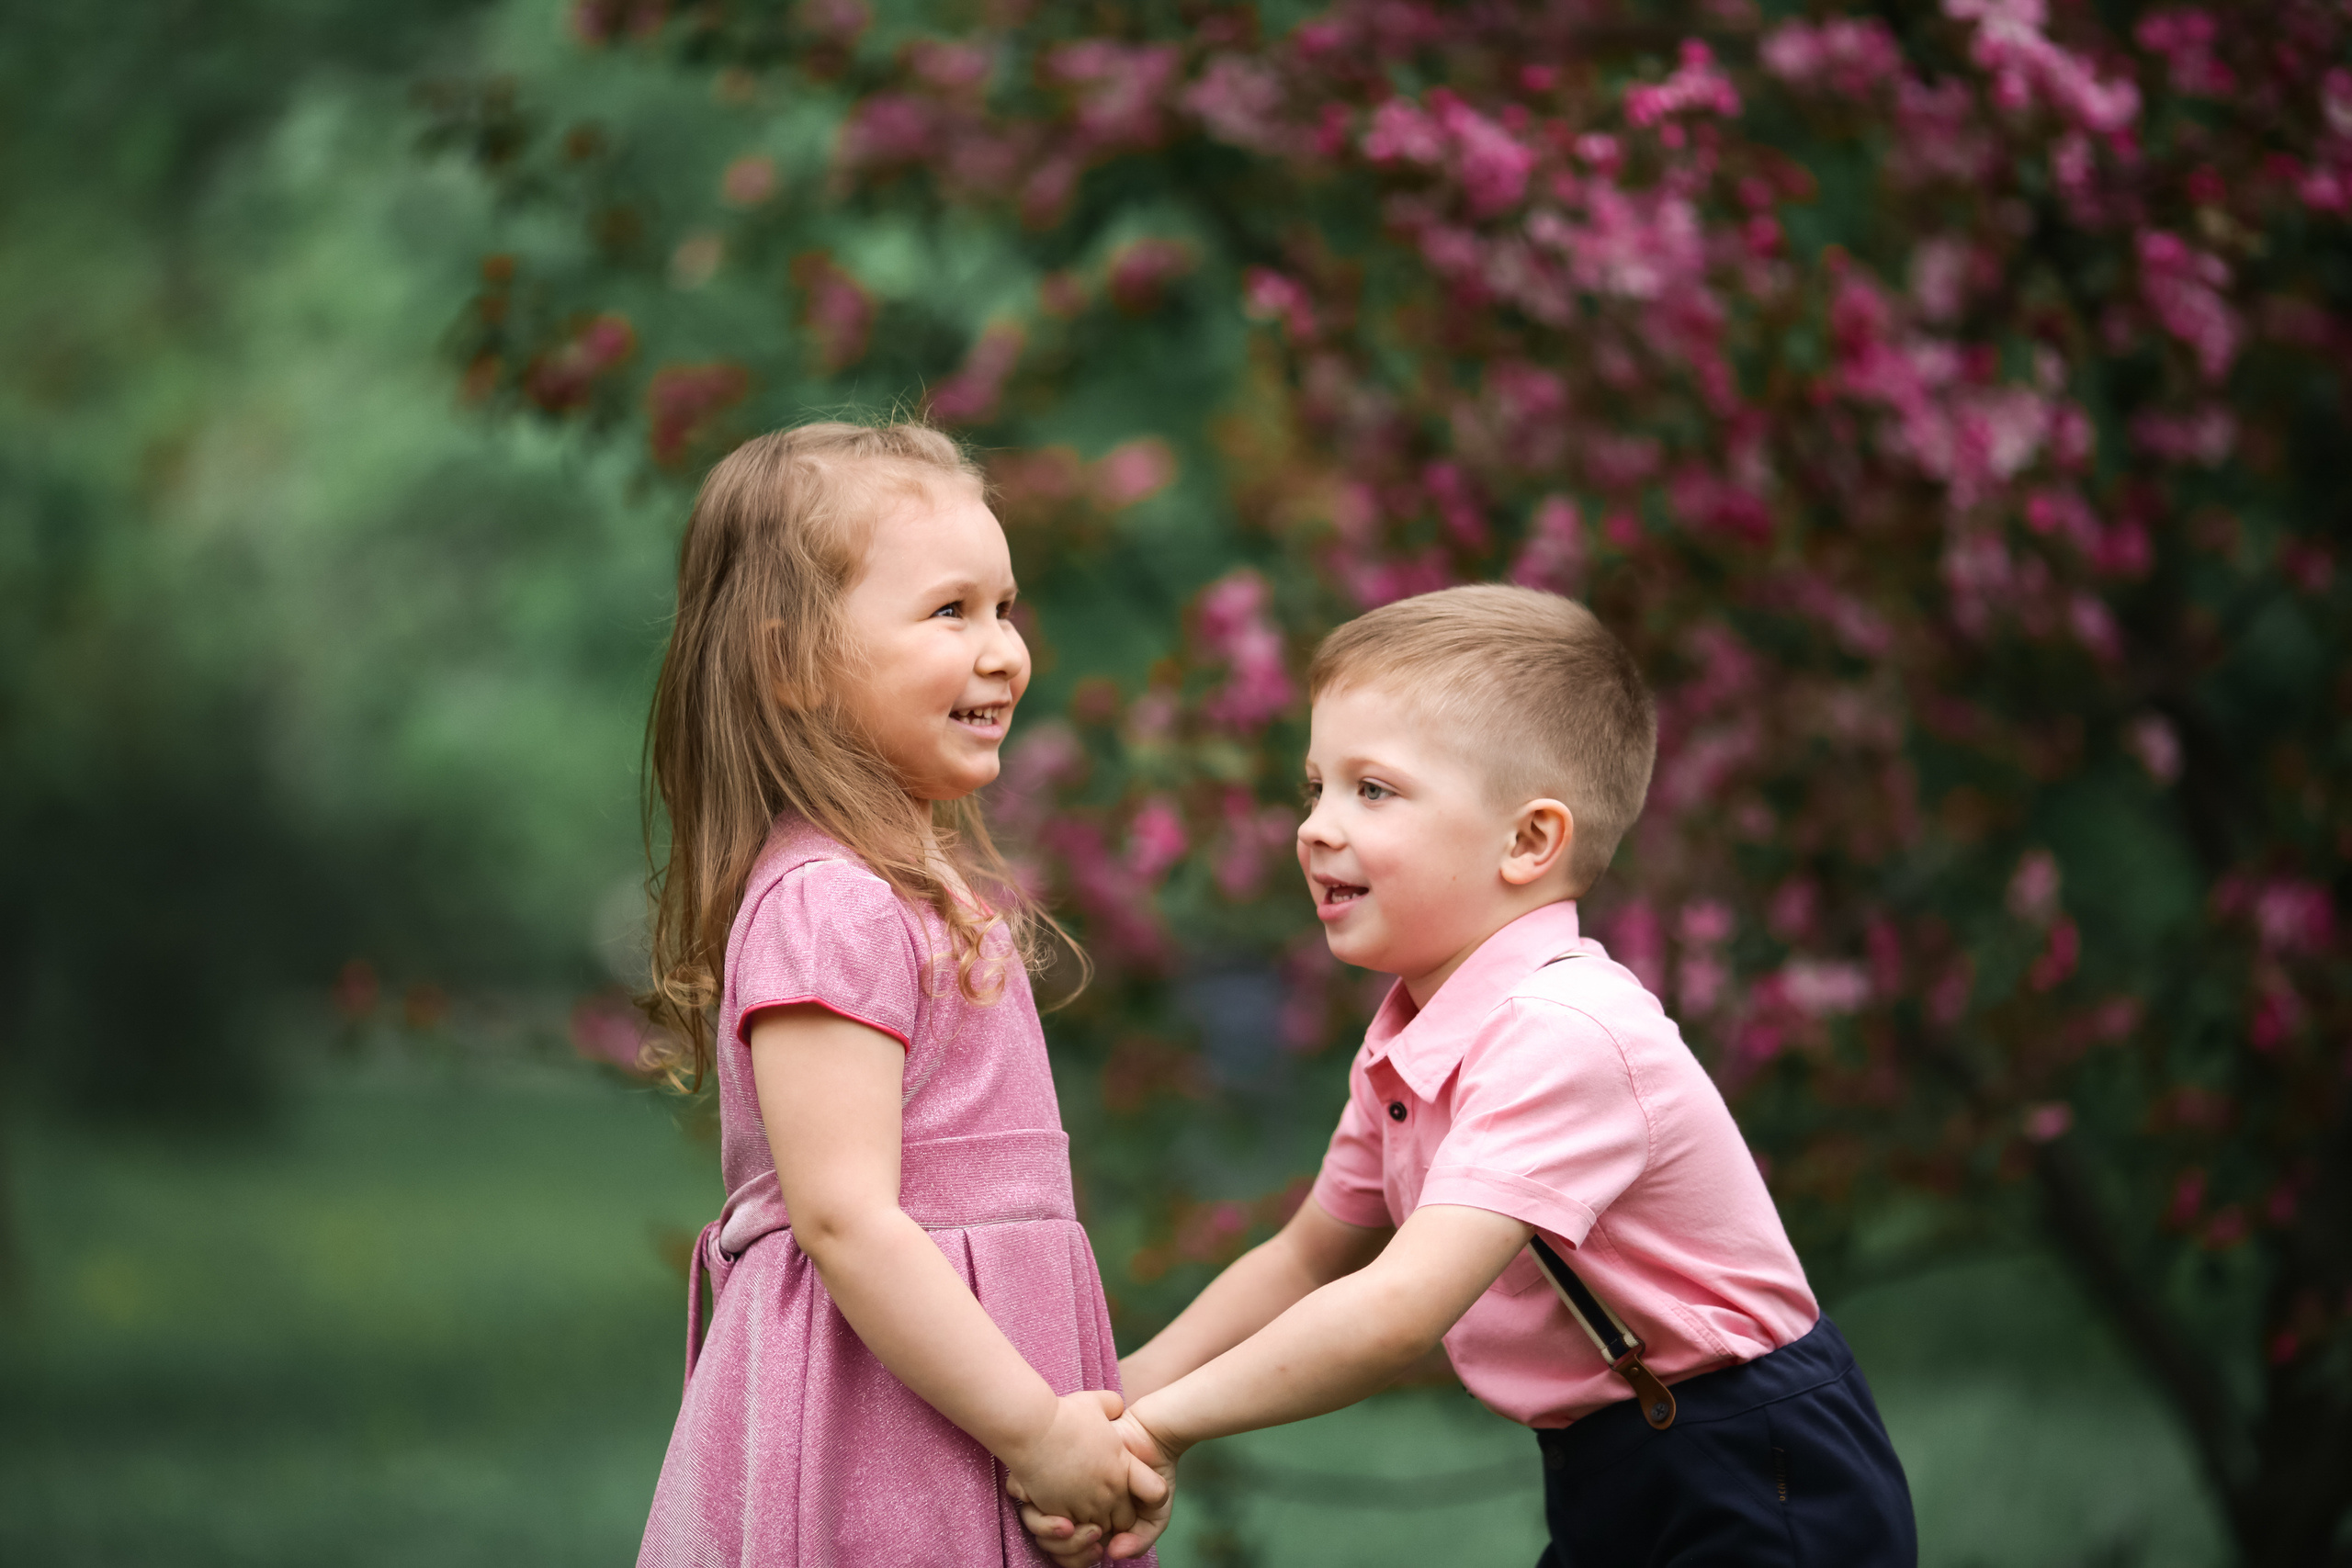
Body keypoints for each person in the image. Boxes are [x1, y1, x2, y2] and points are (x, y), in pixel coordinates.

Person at [1029, 584, 1916, 1566]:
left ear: (1529, 841)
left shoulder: (1563, 1033)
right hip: (1610, 1461)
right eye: (1313, 785)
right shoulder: (1414, 1040)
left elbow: (1396, 1308)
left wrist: (1157, 1432)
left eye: (1372, 790)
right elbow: (1308, 1259)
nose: (1316, 826)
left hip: (1753, 1464)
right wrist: (1115, 1396)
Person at [634, 420, 1164, 1567]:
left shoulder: (913, 894)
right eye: (949, 612)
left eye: (1005, 608)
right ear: (791, 664)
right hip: (880, 1435)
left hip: (976, 1411)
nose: (1004, 650)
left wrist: (1065, 1431)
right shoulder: (828, 903)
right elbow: (845, 1218)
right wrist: (1033, 1430)